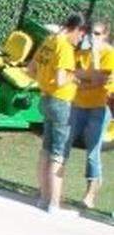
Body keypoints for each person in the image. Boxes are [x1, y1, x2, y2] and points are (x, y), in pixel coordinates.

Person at [29, 13, 86, 214]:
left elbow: (31, 68)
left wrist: (45, 81)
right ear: (76, 29)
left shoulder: (49, 40)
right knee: (59, 153)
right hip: (62, 102)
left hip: (45, 98)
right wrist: (76, 75)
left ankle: (43, 198)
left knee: (46, 148)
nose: (80, 40)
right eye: (81, 35)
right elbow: (62, 79)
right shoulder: (65, 48)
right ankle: (54, 203)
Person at [70, 21, 112, 210]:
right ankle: (50, 187)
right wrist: (85, 78)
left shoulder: (109, 54)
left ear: (105, 35)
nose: (92, 37)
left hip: (99, 106)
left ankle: (90, 195)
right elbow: (72, 73)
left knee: (92, 152)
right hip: (78, 104)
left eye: (96, 34)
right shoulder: (82, 51)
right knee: (64, 143)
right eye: (90, 33)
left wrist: (86, 76)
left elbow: (99, 79)